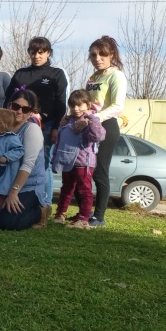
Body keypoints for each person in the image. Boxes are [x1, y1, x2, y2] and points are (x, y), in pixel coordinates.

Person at [4, 37, 68, 211]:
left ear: (48, 53)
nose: (37, 56)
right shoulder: (21, 74)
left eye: (41, 52)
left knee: (43, 165)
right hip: (17, 125)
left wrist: (56, 128)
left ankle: (44, 204)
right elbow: (8, 99)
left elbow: (62, 102)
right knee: (16, 160)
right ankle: (14, 197)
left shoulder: (56, 74)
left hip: (46, 127)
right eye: (33, 52)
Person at [84, 36, 127, 228]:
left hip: (107, 126)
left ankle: (99, 217)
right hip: (88, 125)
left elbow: (118, 106)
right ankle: (85, 212)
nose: (97, 58)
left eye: (102, 54)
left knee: (100, 172)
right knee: (84, 170)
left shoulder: (116, 75)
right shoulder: (93, 77)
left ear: (111, 55)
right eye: (93, 55)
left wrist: (96, 118)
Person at [52, 89, 106, 229]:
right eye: (73, 105)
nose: (76, 109)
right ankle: (60, 214)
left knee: (85, 190)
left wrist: (91, 119)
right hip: (68, 161)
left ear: (88, 105)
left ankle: (83, 218)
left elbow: (99, 136)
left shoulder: (91, 120)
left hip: (84, 163)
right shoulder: (67, 121)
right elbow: (60, 140)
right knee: (66, 188)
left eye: (80, 105)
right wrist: (56, 158)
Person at [0, 89, 49, 230]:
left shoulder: (32, 129)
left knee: (7, 223)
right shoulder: (0, 128)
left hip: (28, 186)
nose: (19, 112)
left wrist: (13, 192)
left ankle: (40, 211)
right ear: (9, 106)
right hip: (3, 184)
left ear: (31, 112)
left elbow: (28, 164)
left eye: (25, 109)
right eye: (15, 106)